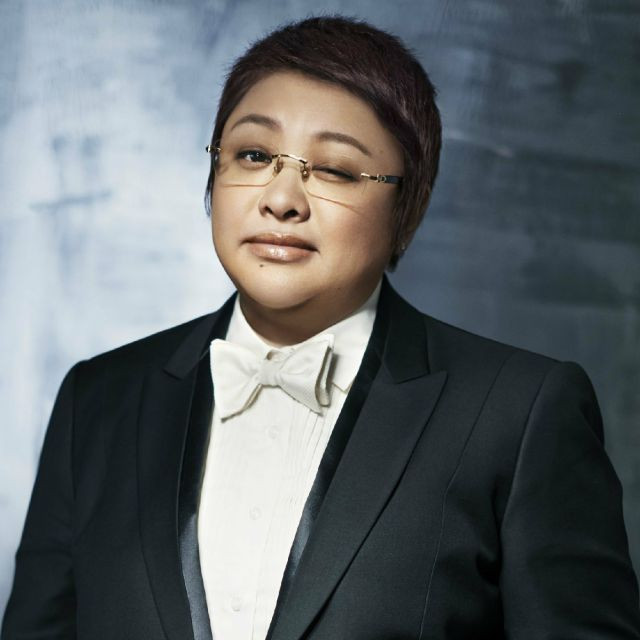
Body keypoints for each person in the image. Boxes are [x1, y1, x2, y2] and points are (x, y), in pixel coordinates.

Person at [2, 14, 640, 640]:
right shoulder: (98, 400)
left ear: (407, 206)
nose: (281, 199)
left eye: (335, 169)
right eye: (254, 154)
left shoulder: (519, 412)